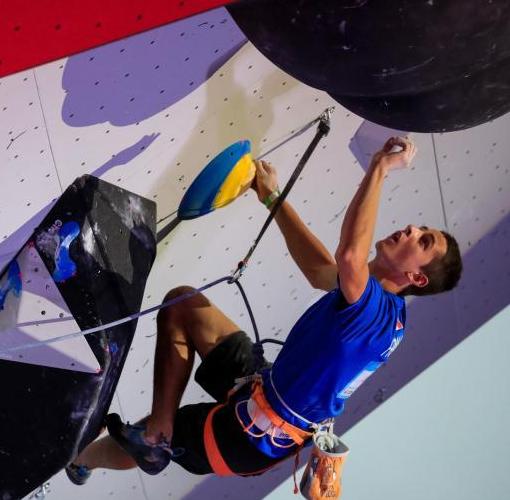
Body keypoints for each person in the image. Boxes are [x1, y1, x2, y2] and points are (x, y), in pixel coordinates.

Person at [66, 136, 462, 484]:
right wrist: (271, 197)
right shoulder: (373, 305)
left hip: (248, 439)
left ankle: (92, 457)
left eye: (423, 241)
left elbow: (348, 256)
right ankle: (159, 431)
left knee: (159, 438)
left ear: (417, 278)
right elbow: (320, 270)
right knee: (183, 304)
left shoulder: (377, 315)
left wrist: (379, 166)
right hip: (261, 389)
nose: (411, 230)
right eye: (420, 228)